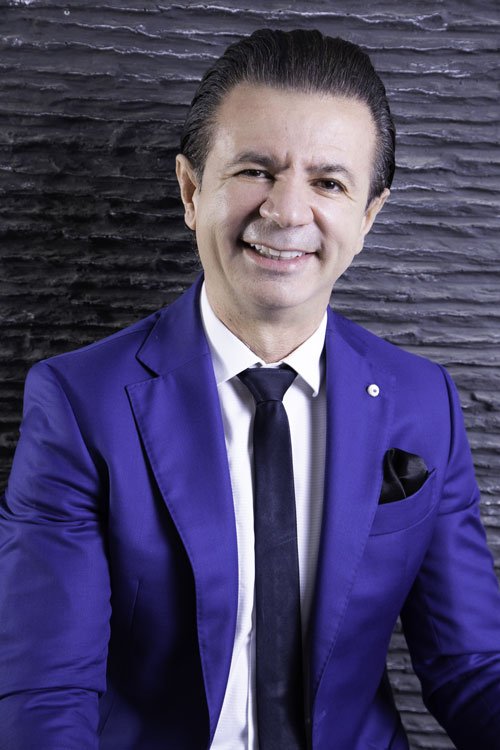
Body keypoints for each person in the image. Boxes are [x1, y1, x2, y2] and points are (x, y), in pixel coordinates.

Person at [1, 27, 500, 750]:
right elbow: (46, 697)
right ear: (191, 190)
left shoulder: (425, 404)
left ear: (367, 217)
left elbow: (474, 667)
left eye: (329, 183)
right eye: (256, 170)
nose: (287, 212)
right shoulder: (79, 405)